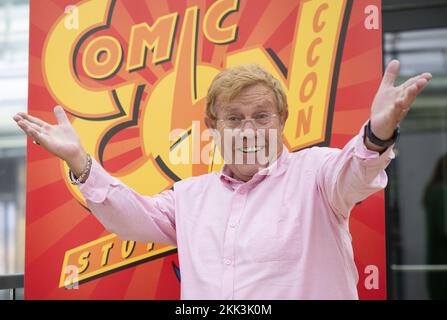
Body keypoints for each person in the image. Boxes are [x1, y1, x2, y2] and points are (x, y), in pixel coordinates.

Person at [13, 61, 431, 299]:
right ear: (213, 126)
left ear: (282, 120)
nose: (248, 129)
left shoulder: (317, 175)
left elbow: (356, 172)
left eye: (261, 116)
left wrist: (376, 135)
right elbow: (130, 216)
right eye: (234, 118)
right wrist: (81, 161)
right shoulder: (190, 197)